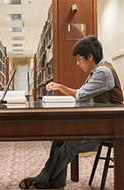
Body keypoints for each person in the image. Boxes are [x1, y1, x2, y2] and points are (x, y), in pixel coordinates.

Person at [19, 35, 123, 189]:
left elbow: (80, 95)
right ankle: (56, 183)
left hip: (109, 127)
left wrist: (59, 87)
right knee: (59, 138)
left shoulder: (103, 72)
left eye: (79, 59)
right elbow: (83, 96)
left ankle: (40, 181)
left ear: (90, 57)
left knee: (69, 145)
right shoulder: (97, 71)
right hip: (99, 123)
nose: (77, 63)